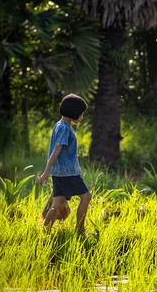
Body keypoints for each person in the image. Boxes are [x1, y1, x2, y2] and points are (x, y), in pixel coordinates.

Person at [38, 94, 91, 235]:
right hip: (67, 173)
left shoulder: (59, 125)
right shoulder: (65, 129)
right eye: (81, 114)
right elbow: (56, 152)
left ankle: (45, 232)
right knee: (86, 197)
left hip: (60, 173)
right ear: (74, 114)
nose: (82, 117)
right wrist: (45, 173)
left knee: (58, 204)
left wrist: (49, 172)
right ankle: (80, 229)